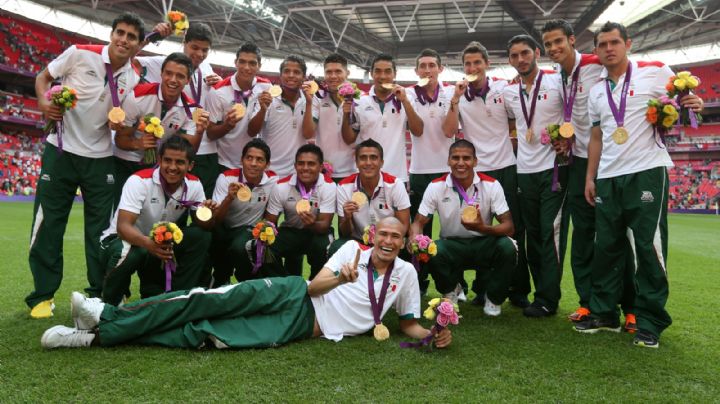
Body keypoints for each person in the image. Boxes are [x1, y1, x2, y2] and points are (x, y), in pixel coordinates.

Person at [40, 217, 452, 350]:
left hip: (305, 328)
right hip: (294, 294)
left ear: (403, 242)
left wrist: (433, 334)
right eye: (382, 234)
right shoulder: (352, 252)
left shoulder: (407, 274)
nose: (388, 241)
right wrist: (340, 277)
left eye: (396, 237)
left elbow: (408, 325)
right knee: (203, 300)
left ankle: (94, 338)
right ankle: (106, 313)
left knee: (207, 335)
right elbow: (312, 287)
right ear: (372, 236)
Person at [575, 22, 703, 348]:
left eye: (614, 42)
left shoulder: (657, 71)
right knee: (606, 247)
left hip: (646, 170)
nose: (608, 49)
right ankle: (604, 313)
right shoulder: (596, 91)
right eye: (602, 44)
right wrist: (590, 177)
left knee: (648, 247)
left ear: (628, 44)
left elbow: (686, 98)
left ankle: (650, 321)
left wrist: (695, 103)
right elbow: (597, 136)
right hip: (607, 176)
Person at [27, 13, 144, 318]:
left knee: (101, 230)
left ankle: (98, 292)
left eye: (131, 36)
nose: (124, 40)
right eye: (120, 32)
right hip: (61, 149)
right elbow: (43, 77)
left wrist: (123, 129)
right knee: (49, 222)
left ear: (137, 44)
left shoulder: (132, 77)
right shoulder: (80, 52)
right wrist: (43, 103)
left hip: (101, 157)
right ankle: (42, 296)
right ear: (112, 34)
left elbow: (122, 124)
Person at [541, 19, 637, 330]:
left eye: (559, 41)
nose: (554, 48)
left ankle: (630, 306)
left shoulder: (597, 62)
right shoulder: (558, 76)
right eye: (549, 44)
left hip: (612, 161)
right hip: (577, 162)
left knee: (615, 236)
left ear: (572, 40)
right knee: (582, 237)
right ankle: (588, 303)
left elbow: (634, 67)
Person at [443, 41, 530, 308]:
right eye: (467, 64)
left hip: (506, 167)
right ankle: (483, 290)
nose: (472, 68)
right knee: (479, 230)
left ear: (487, 64)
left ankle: (518, 290)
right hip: (476, 172)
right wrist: (456, 100)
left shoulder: (503, 89)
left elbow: (520, 118)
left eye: (477, 62)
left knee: (514, 232)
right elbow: (448, 131)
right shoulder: (455, 95)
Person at [100, 136, 215, 305]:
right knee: (132, 252)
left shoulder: (194, 185)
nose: (172, 167)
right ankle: (110, 304)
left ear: (190, 165)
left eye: (180, 162)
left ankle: (180, 298)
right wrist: (149, 244)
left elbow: (204, 225)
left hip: (157, 244)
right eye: (167, 160)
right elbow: (123, 227)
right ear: (159, 159)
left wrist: (209, 212)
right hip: (122, 241)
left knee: (200, 236)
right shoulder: (139, 181)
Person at [410, 140, 517, 316]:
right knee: (431, 249)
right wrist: (415, 238)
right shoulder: (436, 186)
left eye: (466, 158)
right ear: (448, 161)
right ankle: (451, 289)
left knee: (508, 247)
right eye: (455, 158)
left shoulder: (491, 185)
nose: (461, 163)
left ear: (475, 161)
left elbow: (509, 226)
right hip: (452, 245)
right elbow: (419, 222)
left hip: (484, 243)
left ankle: (494, 298)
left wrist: (483, 227)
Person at [503, 35, 569, 318]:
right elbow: (508, 123)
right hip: (524, 171)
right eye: (515, 55)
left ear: (537, 53)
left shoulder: (558, 82)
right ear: (510, 60)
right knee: (531, 237)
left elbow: (573, 117)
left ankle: (547, 298)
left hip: (554, 169)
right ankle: (536, 295)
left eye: (525, 53)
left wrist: (566, 139)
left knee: (549, 234)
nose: (521, 59)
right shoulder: (508, 92)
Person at [135, 22, 222, 198]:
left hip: (205, 150)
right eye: (194, 47)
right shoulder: (165, 63)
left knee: (201, 207)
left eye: (204, 50)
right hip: (178, 147)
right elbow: (129, 61)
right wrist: (151, 38)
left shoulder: (207, 68)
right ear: (184, 42)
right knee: (172, 201)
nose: (199, 54)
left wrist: (221, 82)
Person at [114, 52, 210, 198]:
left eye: (180, 76)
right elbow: (120, 140)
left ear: (188, 80)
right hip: (126, 162)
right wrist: (138, 143)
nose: (173, 80)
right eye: (168, 73)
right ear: (161, 73)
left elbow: (187, 150)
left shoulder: (192, 110)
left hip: (158, 169)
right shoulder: (137, 96)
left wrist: (200, 131)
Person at [346, 53, 424, 183]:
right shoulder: (359, 101)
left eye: (388, 72)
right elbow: (350, 138)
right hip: (366, 176)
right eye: (378, 71)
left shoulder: (407, 99)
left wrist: (404, 101)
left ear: (395, 74)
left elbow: (418, 131)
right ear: (371, 74)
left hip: (397, 176)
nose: (382, 76)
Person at [210, 139, 277, 285]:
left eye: (259, 160)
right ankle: (220, 278)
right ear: (242, 160)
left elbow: (271, 216)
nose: (253, 163)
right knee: (211, 237)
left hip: (249, 230)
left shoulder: (273, 181)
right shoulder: (226, 178)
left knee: (239, 246)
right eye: (249, 158)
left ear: (267, 164)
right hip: (225, 228)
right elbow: (216, 219)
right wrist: (229, 198)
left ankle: (245, 282)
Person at [264, 144, 336, 279]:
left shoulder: (328, 186)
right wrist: (266, 231)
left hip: (316, 232)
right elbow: (270, 222)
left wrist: (312, 223)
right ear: (295, 166)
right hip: (291, 230)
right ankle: (283, 283)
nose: (305, 168)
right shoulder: (281, 186)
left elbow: (325, 225)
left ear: (321, 167)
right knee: (265, 245)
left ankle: (314, 286)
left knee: (323, 247)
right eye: (301, 163)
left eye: (311, 164)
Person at [329, 139, 410, 256]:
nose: (368, 162)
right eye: (363, 158)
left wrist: (385, 241)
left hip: (388, 240)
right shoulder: (344, 186)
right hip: (358, 241)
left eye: (373, 157)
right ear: (356, 162)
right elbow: (346, 233)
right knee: (337, 247)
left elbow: (404, 225)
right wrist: (347, 218)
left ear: (381, 162)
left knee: (410, 249)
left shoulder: (395, 184)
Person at [205, 43, 272, 173]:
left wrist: (263, 109)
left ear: (259, 66)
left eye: (252, 63)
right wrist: (227, 126)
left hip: (251, 164)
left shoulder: (265, 87)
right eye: (242, 62)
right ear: (235, 62)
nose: (246, 68)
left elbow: (253, 132)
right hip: (223, 162)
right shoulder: (218, 91)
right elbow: (210, 133)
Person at [248, 54, 312, 177]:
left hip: (297, 172)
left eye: (296, 72)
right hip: (269, 171)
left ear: (304, 77)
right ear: (280, 75)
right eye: (286, 71)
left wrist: (309, 103)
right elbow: (251, 132)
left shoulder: (309, 100)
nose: (291, 75)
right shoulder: (268, 97)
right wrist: (262, 110)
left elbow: (308, 135)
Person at [302, 53, 357, 182]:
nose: (333, 76)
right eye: (329, 72)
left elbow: (352, 138)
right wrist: (309, 103)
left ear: (347, 73)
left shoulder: (359, 98)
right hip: (324, 171)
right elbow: (308, 133)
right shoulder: (317, 97)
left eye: (338, 71)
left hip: (352, 170)